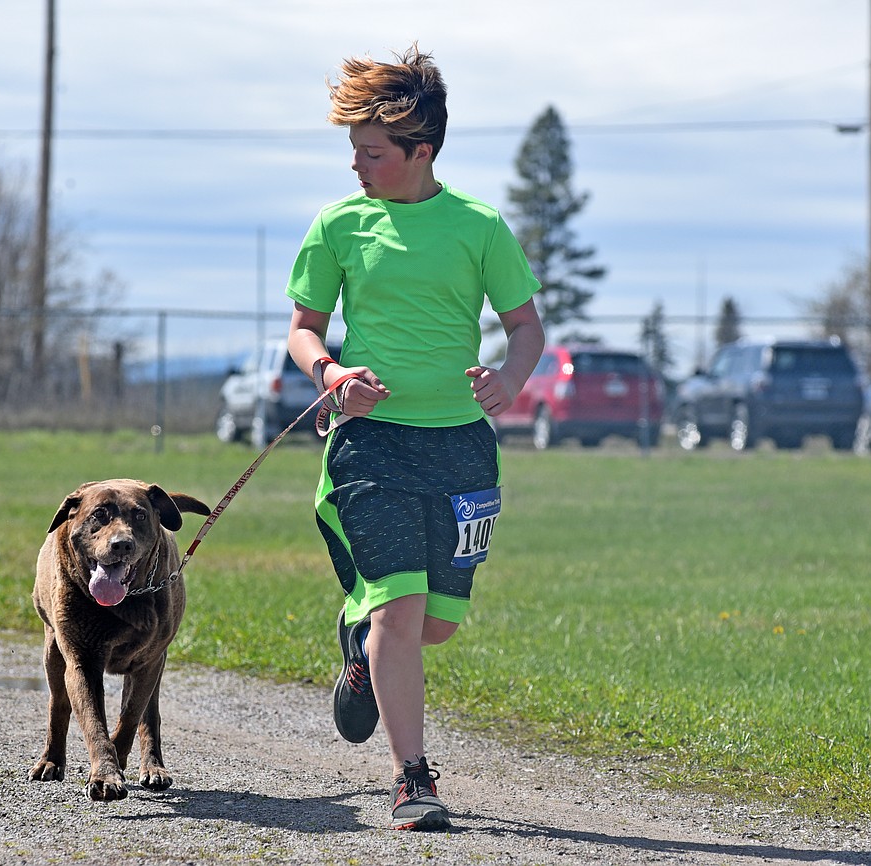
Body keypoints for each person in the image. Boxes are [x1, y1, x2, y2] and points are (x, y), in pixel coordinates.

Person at [285, 44, 545, 832]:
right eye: (354, 152)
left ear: (419, 151)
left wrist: (510, 376)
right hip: (371, 446)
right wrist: (332, 374)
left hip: (461, 446)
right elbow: (301, 331)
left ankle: (358, 645)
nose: (359, 166)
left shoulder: (478, 227)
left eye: (373, 153)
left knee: (433, 624)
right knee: (401, 612)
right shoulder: (339, 224)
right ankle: (412, 777)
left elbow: (527, 328)